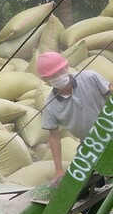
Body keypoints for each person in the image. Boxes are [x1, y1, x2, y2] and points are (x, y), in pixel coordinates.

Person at [38, 51, 112, 179]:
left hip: (110, 129)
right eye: (54, 75)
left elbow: (109, 91)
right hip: (91, 145)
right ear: (45, 79)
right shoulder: (51, 105)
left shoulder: (89, 77)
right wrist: (59, 169)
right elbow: (54, 137)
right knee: (88, 182)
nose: (59, 76)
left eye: (61, 71)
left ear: (66, 67)